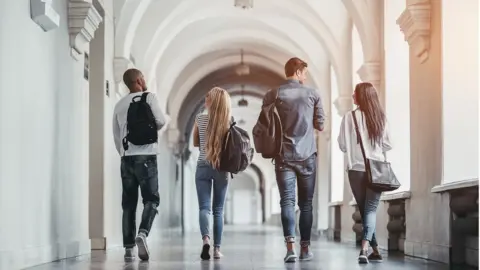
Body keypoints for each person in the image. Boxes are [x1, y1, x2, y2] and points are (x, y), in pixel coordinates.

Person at [261, 57, 325, 262]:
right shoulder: (313, 94)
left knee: (286, 202)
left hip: (283, 156)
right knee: (306, 204)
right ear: (297, 72)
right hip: (307, 156)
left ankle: (290, 249)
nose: (305, 77)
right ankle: (305, 249)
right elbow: (321, 125)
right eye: (304, 73)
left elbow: (265, 124)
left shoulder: (273, 94)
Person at [112, 68, 166, 262]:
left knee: (128, 204)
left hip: (126, 158)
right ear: (138, 81)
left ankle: (128, 249)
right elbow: (161, 121)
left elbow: (116, 135)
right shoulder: (149, 97)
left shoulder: (119, 104)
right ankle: (142, 233)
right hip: (147, 156)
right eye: (142, 77)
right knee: (151, 199)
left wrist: (125, 154)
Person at [337, 82, 392, 264]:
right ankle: (373, 249)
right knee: (369, 211)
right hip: (376, 170)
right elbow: (387, 145)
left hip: (356, 170)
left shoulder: (348, 117)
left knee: (365, 210)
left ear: (362, 96)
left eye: (355, 93)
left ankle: (365, 249)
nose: (353, 95)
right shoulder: (380, 118)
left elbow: (343, 145)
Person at [192, 87, 231, 260]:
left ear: (211, 102)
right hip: (221, 168)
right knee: (218, 210)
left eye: (207, 97)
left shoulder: (199, 118)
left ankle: (206, 240)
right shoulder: (228, 121)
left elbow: (195, 142)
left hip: (202, 165)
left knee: (204, 208)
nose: (205, 100)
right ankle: (216, 249)